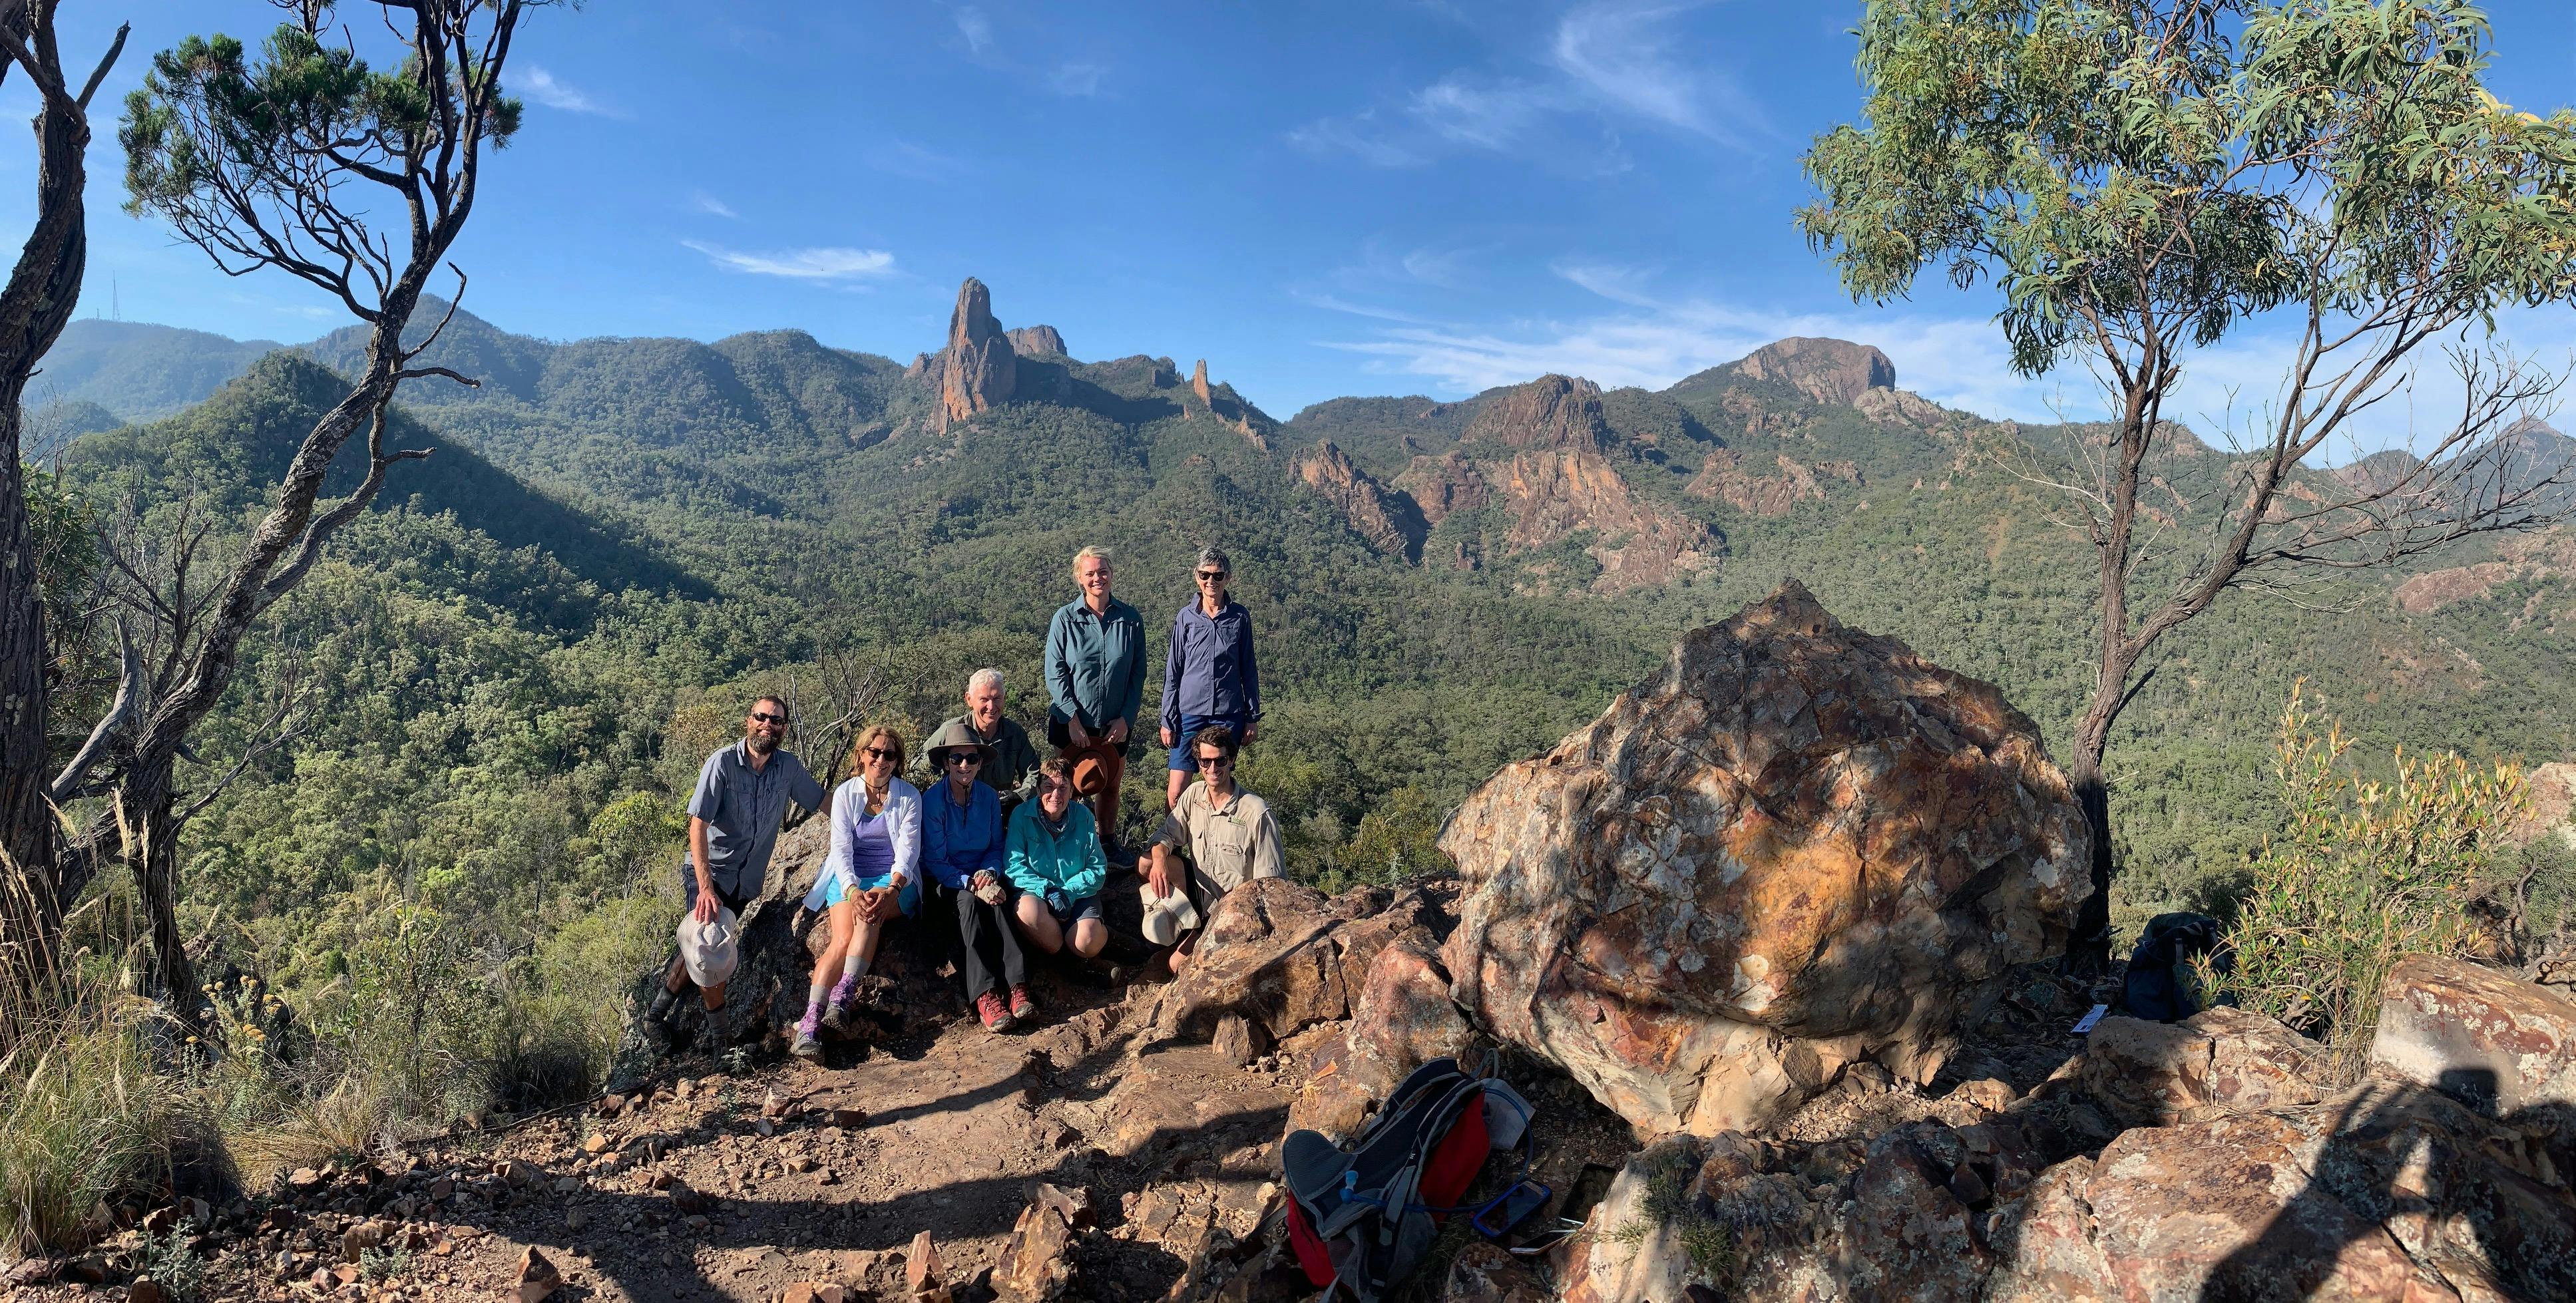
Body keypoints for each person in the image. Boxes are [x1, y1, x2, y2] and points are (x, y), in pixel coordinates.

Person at [649, 695, 825, 1042]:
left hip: (747, 881)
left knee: (697, 946)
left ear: (784, 729)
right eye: (762, 717)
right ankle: (722, 1041)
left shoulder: (788, 769)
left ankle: (654, 1015)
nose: (767, 725)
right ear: (749, 721)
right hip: (710, 872)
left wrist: (869, 818)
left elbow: (823, 802)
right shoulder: (723, 764)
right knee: (710, 944)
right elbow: (697, 824)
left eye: (776, 721)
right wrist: (705, 888)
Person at [790, 725, 921, 1060]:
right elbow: (841, 850)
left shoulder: (909, 797)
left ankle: (843, 996)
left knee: (871, 914)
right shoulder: (846, 795)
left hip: (894, 879)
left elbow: (907, 853)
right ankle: (811, 1023)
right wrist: (850, 890)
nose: (881, 760)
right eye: (874, 752)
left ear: (897, 761)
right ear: (861, 755)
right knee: (840, 941)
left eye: (889, 754)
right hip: (849, 877)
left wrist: (892, 888)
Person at [1144, 724, 1284, 977]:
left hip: (1236, 910)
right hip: (1201, 899)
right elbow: (1164, 835)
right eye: (1205, 762)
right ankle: (1178, 926)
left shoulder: (1255, 812)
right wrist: (1159, 859)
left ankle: (1195, 941)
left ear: (1231, 760)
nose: (1212, 769)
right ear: (1198, 763)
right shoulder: (1193, 795)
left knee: (1178, 966)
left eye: (1219, 761)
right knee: (1147, 863)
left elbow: (1272, 885)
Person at [920, 716, 1030, 1032]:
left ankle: (1018, 987)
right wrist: (970, 882)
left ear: (981, 763)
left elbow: (996, 846)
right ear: (946, 762)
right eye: (957, 758)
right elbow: (936, 860)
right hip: (946, 882)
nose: (964, 765)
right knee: (968, 903)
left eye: (971, 758)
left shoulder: (988, 798)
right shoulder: (932, 801)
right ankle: (985, 994)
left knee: (1000, 901)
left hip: (981, 876)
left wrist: (989, 873)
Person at [1044, 545, 1146, 861]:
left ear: (1112, 575)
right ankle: (1070, 848)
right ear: (1079, 578)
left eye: (1103, 571)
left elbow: (1137, 674)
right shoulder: (1065, 619)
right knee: (1068, 788)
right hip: (1070, 724)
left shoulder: (1130, 620)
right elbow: (1055, 671)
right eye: (1090, 573)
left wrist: (1126, 718)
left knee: (1110, 785)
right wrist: (1072, 718)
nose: (1097, 578)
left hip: (1114, 724)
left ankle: (1107, 844)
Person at [1159, 546, 1260, 810]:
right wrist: (1167, 719)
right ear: (1197, 577)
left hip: (1228, 714)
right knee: (1177, 790)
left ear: (1228, 578)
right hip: (1189, 713)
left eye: (1217, 576)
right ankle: (1176, 848)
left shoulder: (1240, 617)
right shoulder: (1186, 618)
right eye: (1205, 575)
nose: (1210, 582)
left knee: (1220, 787)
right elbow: (1174, 670)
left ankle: (1214, 847)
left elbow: (1248, 668)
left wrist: (1251, 717)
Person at [1006, 757, 1110, 994]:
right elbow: (1013, 867)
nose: (1056, 795)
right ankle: (1068, 961)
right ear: (1037, 789)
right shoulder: (1021, 816)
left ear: (1072, 790)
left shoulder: (1083, 817)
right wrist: (1048, 890)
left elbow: (1098, 867)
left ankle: (1095, 945)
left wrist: (1068, 892)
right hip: (1038, 895)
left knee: (1086, 942)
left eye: (1063, 787)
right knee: (1029, 914)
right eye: (1048, 787)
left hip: (1079, 895)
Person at [920, 668, 1041, 815]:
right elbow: (921, 769)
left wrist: (1018, 796)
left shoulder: (1015, 734)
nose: (991, 707)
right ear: (969, 699)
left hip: (1000, 814)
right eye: (984, 699)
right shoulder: (950, 731)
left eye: (997, 698)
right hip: (954, 815)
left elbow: (1034, 773)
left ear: (1004, 698)